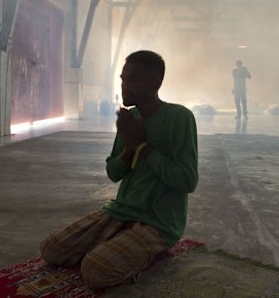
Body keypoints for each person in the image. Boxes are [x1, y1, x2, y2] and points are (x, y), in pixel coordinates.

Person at [40, 50, 198, 291]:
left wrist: (144, 147)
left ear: (157, 82)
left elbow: (187, 181)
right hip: (120, 212)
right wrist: (129, 148)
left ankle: (148, 253)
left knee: (94, 270)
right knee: (51, 249)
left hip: (158, 222)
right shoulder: (130, 118)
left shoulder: (179, 117)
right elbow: (114, 173)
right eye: (123, 79)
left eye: (133, 80)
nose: (125, 86)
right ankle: (119, 243)